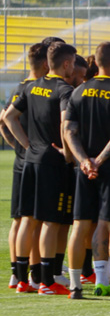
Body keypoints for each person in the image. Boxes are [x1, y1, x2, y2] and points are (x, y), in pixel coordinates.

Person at [63, 42, 110, 301]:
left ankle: (75, 287)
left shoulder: (78, 92)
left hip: (84, 171)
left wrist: (84, 161)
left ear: (95, 61)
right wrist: (101, 160)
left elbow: (69, 132)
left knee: (79, 226)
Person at [5, 41, 77, 295]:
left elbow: (8, 117)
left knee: (27, 219)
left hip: (31, 160)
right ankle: (47, 281)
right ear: (67, 63)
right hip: (51, 162)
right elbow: (64, 126)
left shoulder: (32, 86)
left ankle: (22, 279)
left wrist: (26, 145)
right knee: (50, 221)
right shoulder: (64, 89)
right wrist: (68, 153)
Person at [2, 42, 49, 291]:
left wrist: (17, 147)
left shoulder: (20, 87)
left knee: (19, 220)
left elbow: (3, 121)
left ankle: (16, 273)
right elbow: (5, 120)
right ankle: (32, 273)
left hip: (22, 161)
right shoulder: (37, 89)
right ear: (45, 64)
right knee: (33, 219)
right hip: (34, 160)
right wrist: (28, 145)